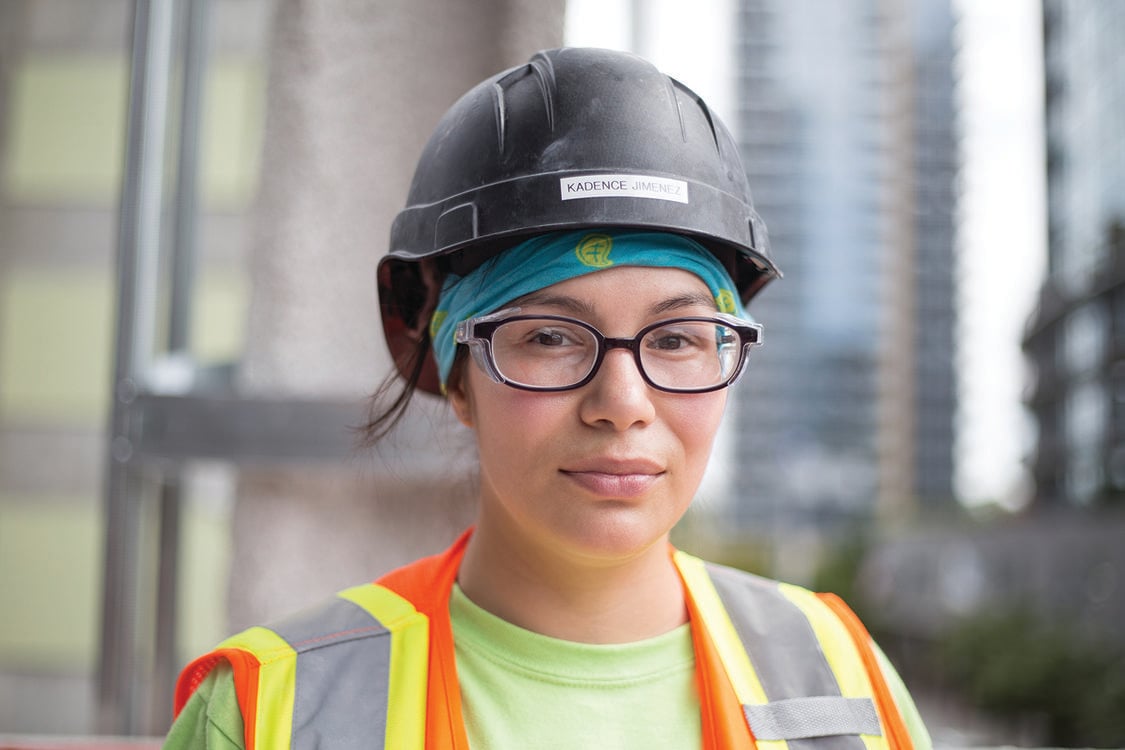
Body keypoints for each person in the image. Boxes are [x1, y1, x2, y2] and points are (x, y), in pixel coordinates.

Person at [164, 47, 932, 750]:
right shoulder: (269, 712)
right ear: (457, 380)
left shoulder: (840, 673)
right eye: (549, 338)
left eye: (675, 340)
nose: (622, 403)